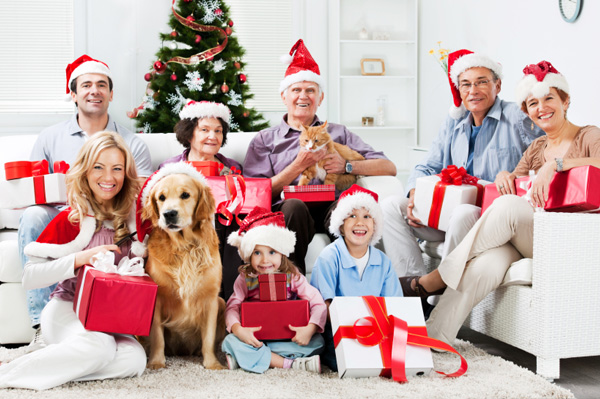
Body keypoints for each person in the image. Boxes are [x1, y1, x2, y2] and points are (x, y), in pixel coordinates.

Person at [401, 61, 600, 345]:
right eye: (533, 103)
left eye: (549, 99)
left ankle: (436, 278)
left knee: (508, 207)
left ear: (565, 101)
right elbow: (512, 186)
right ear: (527, 110)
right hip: (527, 239)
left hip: (566, 239)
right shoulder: (536, 148)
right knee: (485, 265)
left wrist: (557, 165)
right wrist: (505, 175)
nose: (541, 108)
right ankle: (434, 338)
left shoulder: (588, 135)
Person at [18, 54, 153, 351]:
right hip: (67, 214)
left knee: (130, 359)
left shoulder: (132, 143)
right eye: (87, 84)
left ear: (111, 94)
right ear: (73, 93)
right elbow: (34, 187)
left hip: (114, 215)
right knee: (33, 216)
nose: (95, 90)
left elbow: (138, 196)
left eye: (102, 85)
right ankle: (41, 325)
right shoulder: (50, 137)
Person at [0, 131, 147, 390]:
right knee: (101, 347)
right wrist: (78, 259)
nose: (109, 177)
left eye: (117, 169)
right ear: (85, 171)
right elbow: (30, 278)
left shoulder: (135, 221)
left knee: (134, 360)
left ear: (126, 174)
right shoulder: (71, 218)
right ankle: (8, 376)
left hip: (111, 318)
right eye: (98, 168)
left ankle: (52, 363)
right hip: (67, 311)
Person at [381, 49, 544, 278]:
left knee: (462, 213)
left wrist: (515, 174)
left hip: (490, 217)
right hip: (452, 214)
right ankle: (413, 288)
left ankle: (441, 292)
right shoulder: (454, 121)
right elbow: (427, 165)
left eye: (481, 82)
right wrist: (414, 193)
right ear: (459, 90)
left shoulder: (517, 115)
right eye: (465, 84)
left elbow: (546, 151)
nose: (473, 91)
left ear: (497, 86)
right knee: (391, 207)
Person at [243, 39, 396, 273]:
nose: (303, 96)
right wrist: (297, 166)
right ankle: (292, 286)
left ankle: (351, 285)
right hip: (291, 209)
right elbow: (254, 194)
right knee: (293, 206)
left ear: (320, 98)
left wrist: (347, 166)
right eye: (296, 90)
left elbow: (388, 167)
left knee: (349, 208)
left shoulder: (338, 132)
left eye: (310, 91)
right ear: (284, 97)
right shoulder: (266, 140)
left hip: (331, 205)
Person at [222, 206, 326, 374]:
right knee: (229, 341)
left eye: (272, 252)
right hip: (256, 338)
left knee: (318, 341)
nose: (265, 260)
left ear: (282, 253)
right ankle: (290, 364)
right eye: (257, 252)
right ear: (249, 254)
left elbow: (317, 303)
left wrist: (310, 329)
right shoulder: (245, 278)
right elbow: (232, 306)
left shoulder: (293, 276)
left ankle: (252, 358)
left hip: (285, 339)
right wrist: (238, 329)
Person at [310, 185, 403, 371]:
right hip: (339, 330)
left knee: (395, 356)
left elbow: (394, 304)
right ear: (341, 225)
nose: (360, 222)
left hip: (376, 330)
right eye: (352, 216)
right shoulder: (329, 257)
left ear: (375, 226)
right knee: (340, 358)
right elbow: (324, 306)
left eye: (367, 216)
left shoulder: (383, 262)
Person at [158, 100, 243, 299]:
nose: (212, 137)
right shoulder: (170, 168)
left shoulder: (233, 167)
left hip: (223, 227)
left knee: (230, 224)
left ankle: (230, 301)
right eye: (204, 129)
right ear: (189, 134)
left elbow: (242, 204)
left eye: (218, 131)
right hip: (184, 226)